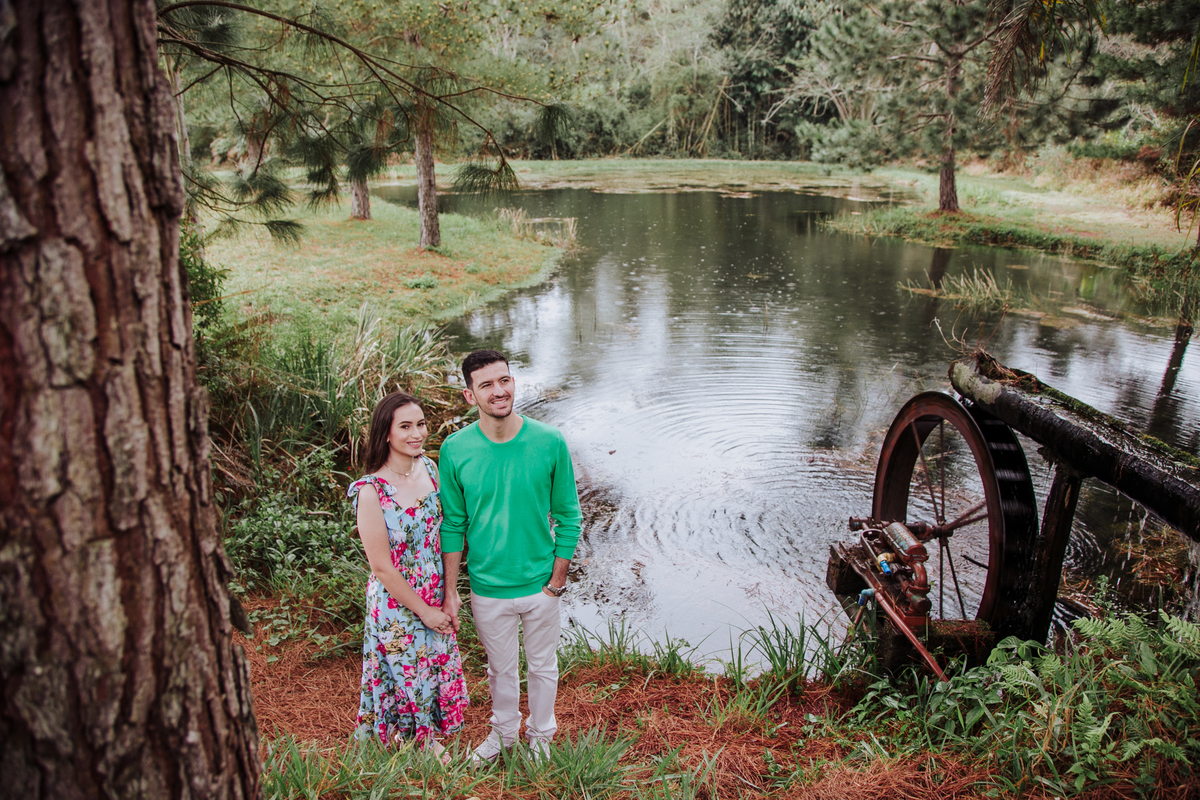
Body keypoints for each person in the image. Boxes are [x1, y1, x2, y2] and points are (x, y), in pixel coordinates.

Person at [439, 350, 582, 763]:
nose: (499, 391)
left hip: (541, 586)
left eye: (504, 380)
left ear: (513, 382)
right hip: (488, 587)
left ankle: (541, 736)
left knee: (543, 667)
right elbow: (453, 525)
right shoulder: (455, 449)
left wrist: (557, 580)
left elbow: (569, 516)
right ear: (470, 396)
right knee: (500, 670)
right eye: (486, 385)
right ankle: (502, 735)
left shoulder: (549, 441)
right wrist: (452, 590)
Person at [347, 391, 468, 756]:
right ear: (386, 432)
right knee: (406, 670)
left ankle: (427, 736)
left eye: (421, 424)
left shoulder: (429, 469)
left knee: (433, 665)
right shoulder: (371, 491)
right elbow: (381, 567)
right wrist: (424, 611)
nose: (417, 434)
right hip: (396, 601)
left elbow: (447, 533)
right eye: (405, 427)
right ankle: (418, 743)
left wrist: (450, 593)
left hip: (435, 587)